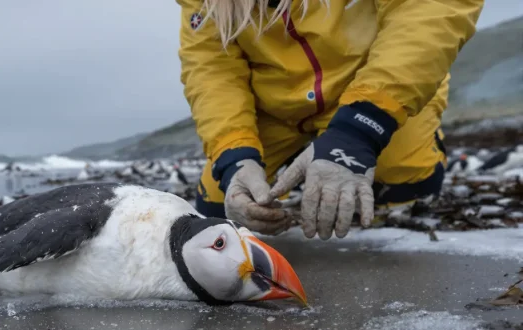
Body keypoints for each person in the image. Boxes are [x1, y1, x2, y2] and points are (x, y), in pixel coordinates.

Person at [177, 0, 484, 240]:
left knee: (408, 190)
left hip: (371, 90)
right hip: (278, 111)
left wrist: (359, 130)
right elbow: (212, 71)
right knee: (221, 208)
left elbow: (430, 10)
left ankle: (385, 143)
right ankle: (302, 155)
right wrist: (235, 157)